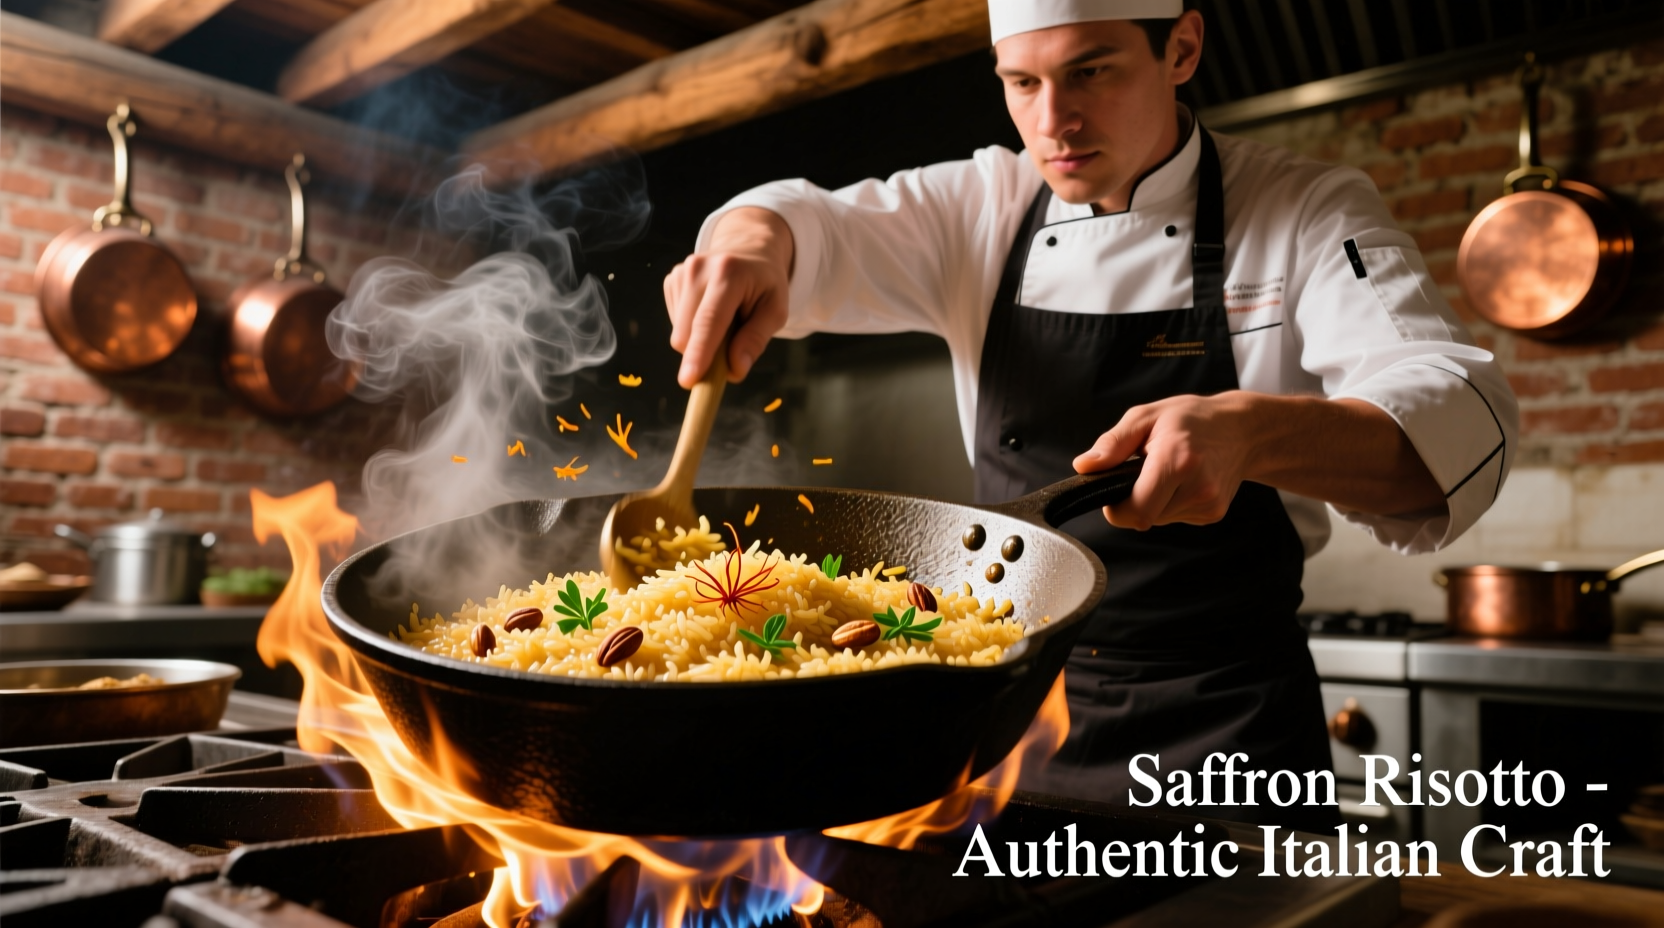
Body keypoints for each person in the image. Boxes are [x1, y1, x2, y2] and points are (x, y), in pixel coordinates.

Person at [661, 0, 1517, 830]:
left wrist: (1251, 430)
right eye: (1021, 83)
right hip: (1003, 716)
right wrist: (750, 244)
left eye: (1090, 71)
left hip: (1225, 730)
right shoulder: (979, 207)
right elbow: (807, 219)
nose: (1053, 122)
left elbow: (1457, 412)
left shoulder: (1304, 208)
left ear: (1181, 50)